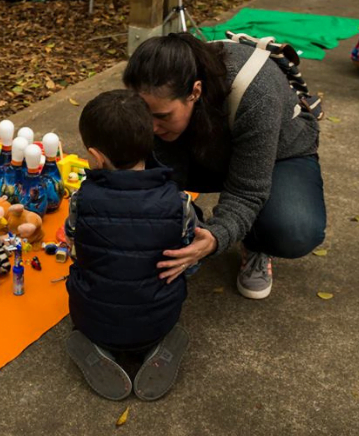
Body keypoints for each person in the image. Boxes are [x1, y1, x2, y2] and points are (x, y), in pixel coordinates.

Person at [123, 33, 326, 300]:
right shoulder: (158, 88)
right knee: (140, 194)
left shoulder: (256, 94)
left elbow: (247, 190)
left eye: (161, 116)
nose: (150, 126)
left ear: (195, 91)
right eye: (143, 113)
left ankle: (255, 243)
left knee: (294, 229)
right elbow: (152, 174)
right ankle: (189, 224)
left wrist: (218, 235)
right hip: (210, 148)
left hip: (278, 155)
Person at [64, 89, 198, 401]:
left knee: (85, 274)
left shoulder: (81, 200)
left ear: (96, 157)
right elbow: (189, 249)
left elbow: (73, 241)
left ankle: (96, 347)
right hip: (159, 317)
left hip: (91, 319)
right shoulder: (179, 201)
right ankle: (158, 345)